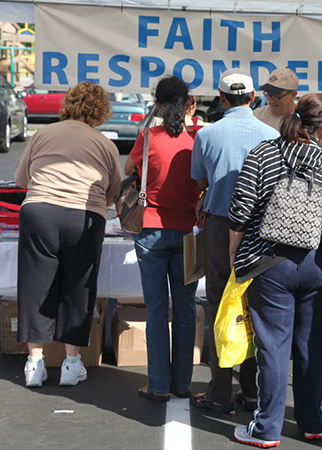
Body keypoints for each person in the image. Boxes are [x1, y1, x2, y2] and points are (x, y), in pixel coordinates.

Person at [230, 94, 322, 447]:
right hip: (318, 265)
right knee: (312, 346)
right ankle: (312, 422)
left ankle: (266, 429)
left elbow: (240, 209)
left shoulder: (263, 154)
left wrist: (234, 253)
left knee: (272, 348)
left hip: (269, 263)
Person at [15, 81, 122, 387]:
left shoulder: (43, 133)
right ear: (101, 111)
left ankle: (34, 363)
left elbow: (21, 178)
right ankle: (71, 365)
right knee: (78, 287)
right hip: (84, 217)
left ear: (67, 104)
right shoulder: (105, 145)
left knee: (36, 285)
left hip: (39, 213)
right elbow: (114, 194)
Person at [190, 69, 279, 414]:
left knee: (218, 301)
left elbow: (199, 179)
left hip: (220, 224)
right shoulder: (270, 133)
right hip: (260, 227)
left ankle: (219, 390)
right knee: (257, 304)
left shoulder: (207, 133)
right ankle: (253, 390)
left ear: (222, 98)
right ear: (253, 97)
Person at [123, 76, 202, 402]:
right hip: (186, 231)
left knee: (156, 309)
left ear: (156, 104)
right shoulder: (198, 139)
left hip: (150, 230)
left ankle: (158, 385)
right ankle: (183, 383)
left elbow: (128, 168)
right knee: (185, 309)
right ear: (188, 104)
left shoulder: (147, 138)